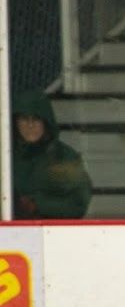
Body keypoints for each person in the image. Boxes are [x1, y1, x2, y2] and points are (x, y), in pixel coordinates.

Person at [11, 90, 92, 219]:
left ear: (46, 122)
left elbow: (78, 203)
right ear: (15, 122)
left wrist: (38, 205)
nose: (30, 125)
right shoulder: (5, 157)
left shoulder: (63, 157)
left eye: (36, 119)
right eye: (24, 119)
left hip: (53, 229)